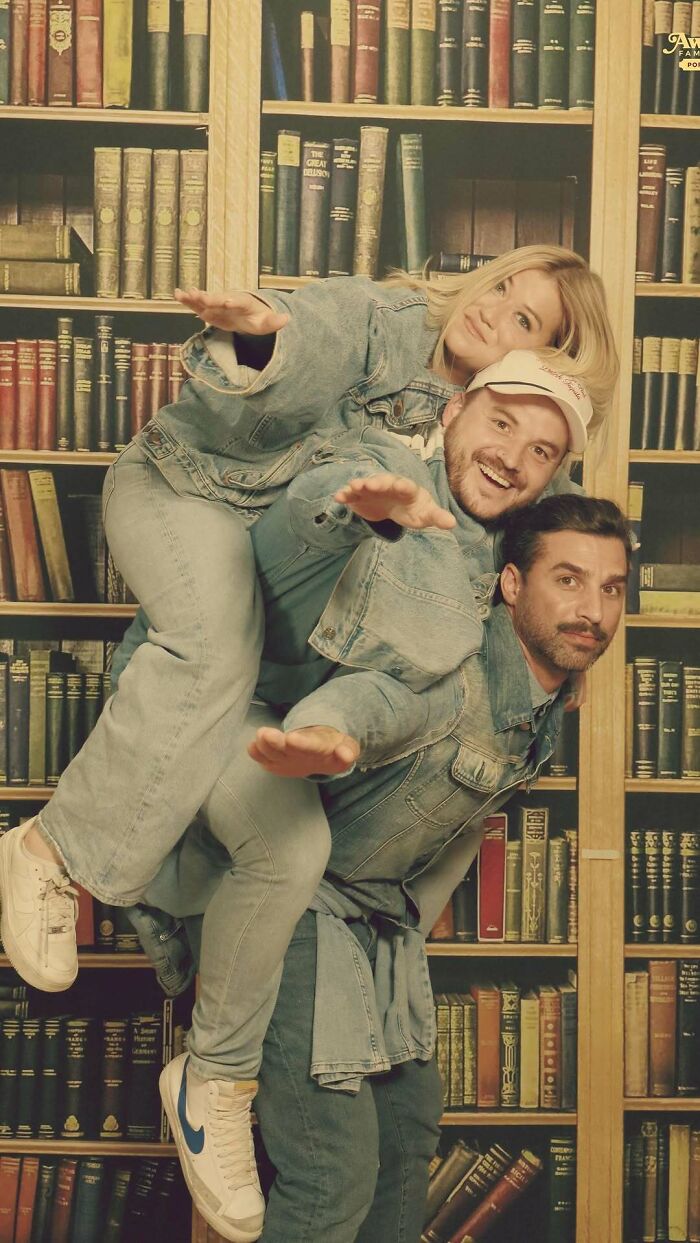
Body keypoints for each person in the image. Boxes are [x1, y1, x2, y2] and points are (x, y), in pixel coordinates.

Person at [0, 248, 618, 999]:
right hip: (191, 487)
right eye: (497, 286)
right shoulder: (390, 324)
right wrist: (266, 340)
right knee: (214, 653)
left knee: (263, 769)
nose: (489, 309)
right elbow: (319, 330)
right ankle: (49, 850)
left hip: (269, 552)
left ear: (547, 363)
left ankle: (155, 887)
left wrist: (570, 651)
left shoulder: (506, 433)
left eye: (522, 318)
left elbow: (563, 527)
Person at [133, 493, 632, 1242]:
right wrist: (322, 731)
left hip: (376, 920)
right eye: (567, 579)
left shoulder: (545, 699)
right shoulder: (448, 663)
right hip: (291, 909)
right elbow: (377, 700)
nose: (592, 607)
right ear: (510, 584)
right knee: (332, 1171)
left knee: (406, 1142)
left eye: (612, 587)